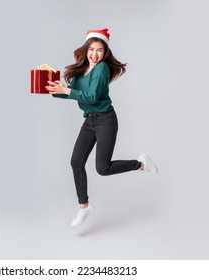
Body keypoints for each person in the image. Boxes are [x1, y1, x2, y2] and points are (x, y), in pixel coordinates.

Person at [46, 28, 158, 228]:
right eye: (91, 49)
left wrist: (66, 90)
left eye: (99, 50)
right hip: (89, 121)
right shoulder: (82, 71)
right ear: (86, 50)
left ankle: (140, 163)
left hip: (106, 119)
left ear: (104, 52)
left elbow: (92, 97)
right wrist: (55, 91)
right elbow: (77, 93)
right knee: (76, 162)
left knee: (103, 168)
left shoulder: (102, 68)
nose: (95, 54)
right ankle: (84, 206)